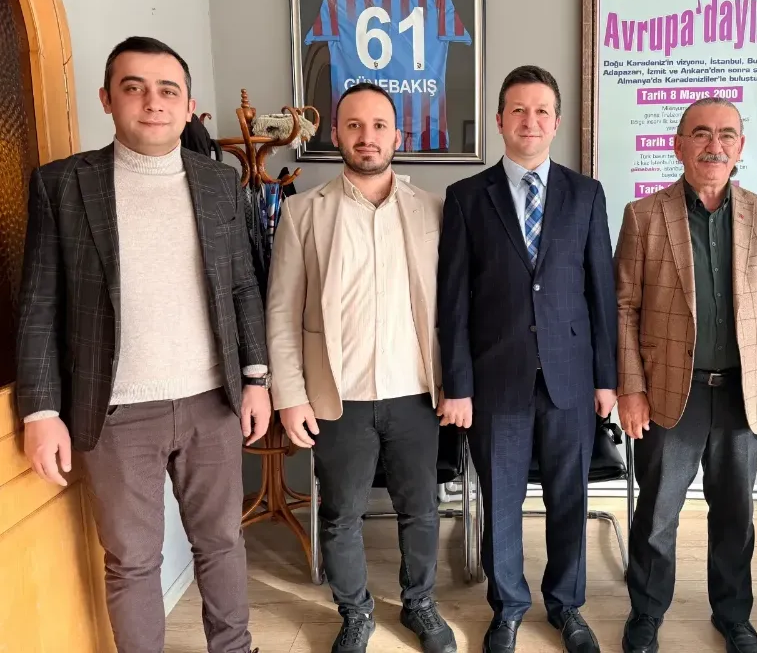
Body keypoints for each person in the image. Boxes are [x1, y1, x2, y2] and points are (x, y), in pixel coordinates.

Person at [16, 36, 270, 653]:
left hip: (213, 402)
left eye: (167, 90)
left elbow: (241, 285)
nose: (152, 102)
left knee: (222, 542)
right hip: (115, 411)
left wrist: (256, 379)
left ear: (188, 107)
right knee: (132, 560)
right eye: (134, 88)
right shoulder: (63, 185)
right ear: (107, 99)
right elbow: (40, 302)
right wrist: (40, 410)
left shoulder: (219, 183)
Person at [266, 82, 457, 653]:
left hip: (416, 393)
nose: (366, 136)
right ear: (336, 134)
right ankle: (355, 613)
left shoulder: (434, 210)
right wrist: (289, 395)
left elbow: (455, 308)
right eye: (354, 125)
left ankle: (420, 604)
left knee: (421, 511)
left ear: (398, 136)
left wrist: (458, 384)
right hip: (337, 396)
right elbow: (282, 310)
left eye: (378, 126)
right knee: (341, 515)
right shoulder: (303, 212)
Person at [437, 65, 618, 653]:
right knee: (502, 501)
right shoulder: (466, 197)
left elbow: (601, 292)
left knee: (570, 498)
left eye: (541, 111)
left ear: (557, 122)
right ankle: (508, 606)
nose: (530, 121)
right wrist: (458, 384)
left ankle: (567, 606)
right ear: (499, 120)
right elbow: (453, 301)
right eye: (518, 109)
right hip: (496, 380)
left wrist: (607, 379)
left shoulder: (586, 194)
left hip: (571, 379)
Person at [615, 97, 757, 653]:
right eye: (700, 134)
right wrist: (631, 387)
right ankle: (647, 612)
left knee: (735, 515)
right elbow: (624, 308)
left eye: (725, 135)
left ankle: (733, 615)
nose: (713, 145)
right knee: (657, 514)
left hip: (743, 393)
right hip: (671, 392)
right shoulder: (643, 216)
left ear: (740, 147)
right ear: (679, 146)